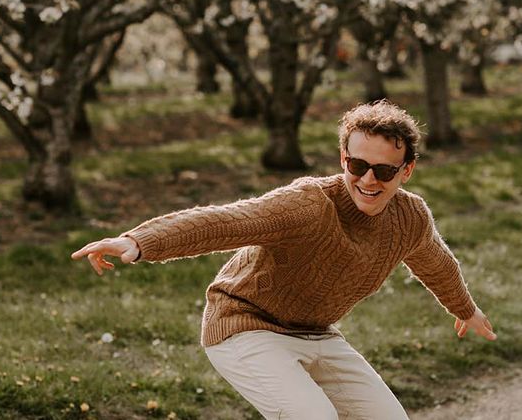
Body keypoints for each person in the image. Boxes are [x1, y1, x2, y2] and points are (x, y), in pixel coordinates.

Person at [71, 100, 496, 419]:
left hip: (315, 333)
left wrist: (466, 310)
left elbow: (436, 263)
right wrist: (140, 241)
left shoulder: (409, 217)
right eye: (357, 164)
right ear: (342, 158)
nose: (368, 180)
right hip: (243, 325)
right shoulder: (309, 204)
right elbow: (228, 221)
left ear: (407, 171)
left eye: (384, 171)